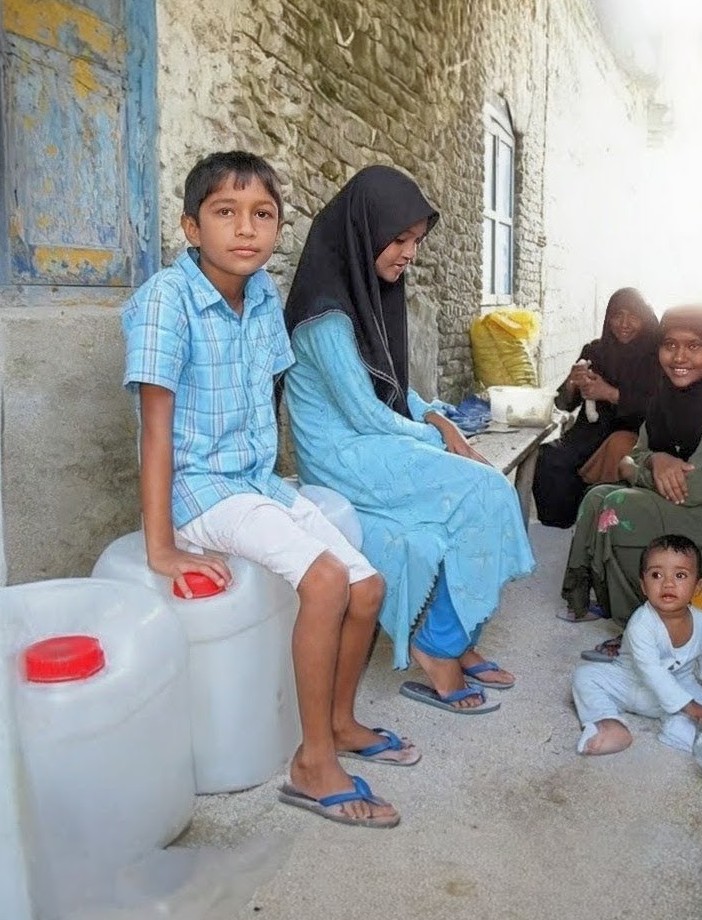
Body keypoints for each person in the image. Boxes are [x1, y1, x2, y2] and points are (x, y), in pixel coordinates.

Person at [122, 151, 407, 831]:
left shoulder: (264, 298)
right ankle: (311, 764)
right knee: (328, 580)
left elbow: (266, 401)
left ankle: (338, 722)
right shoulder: (168, 299)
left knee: (369, 589)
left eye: (263, 214)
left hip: (254, 482)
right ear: (191, 227)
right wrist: (162, 547)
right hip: (203, 491)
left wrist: (286, 491)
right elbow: (155, 430)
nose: (246, 229)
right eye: (226, 212)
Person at [283, 165, 535, 715]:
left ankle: (458, 633)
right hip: (343, 454)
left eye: (416, 241)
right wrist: (439, 435)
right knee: (486, 492)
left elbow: (394, 387)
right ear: (364, 233)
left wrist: (440, 420)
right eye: (399, 239)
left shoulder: (367, 294)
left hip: (373, 441)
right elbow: (366, 412)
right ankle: (439, 647)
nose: (409, 254)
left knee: (475, 494)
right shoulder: (325, 314)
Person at [561, 304, 702, 660]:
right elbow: (633, 456)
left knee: (621, 508)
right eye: (670, 345)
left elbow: (690, 489)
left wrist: (639, 467)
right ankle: (590, 597)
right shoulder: (667, 398)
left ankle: (648, 633)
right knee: (597, 497)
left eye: (694, 346)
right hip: (700, 497)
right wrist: (658, 460)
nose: (679, 357)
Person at [572, 534, 702, 755]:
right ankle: (608, 723)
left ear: (698, 586)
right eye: (656, 575)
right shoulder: (641, 623)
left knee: (700, 707)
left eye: (680, 575)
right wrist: (688, 706)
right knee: (585, 676)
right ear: (643, 586)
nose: (668, 583)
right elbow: (651, 671)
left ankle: (681, 737)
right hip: (629, 681)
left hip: (677, 687)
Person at [532, 288, 660, 533]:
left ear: (644, 318)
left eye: (632, 316)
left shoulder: (655, 357)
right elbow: (563, 404)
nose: (623, 323)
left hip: (633, 432)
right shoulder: (595, 352)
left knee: (620, 453)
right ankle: (561, 531)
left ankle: (598, 528)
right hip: (589, 432)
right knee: (549, 458)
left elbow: (657, 406)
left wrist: (610, 394)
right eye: (617, 315)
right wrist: (572, 382)